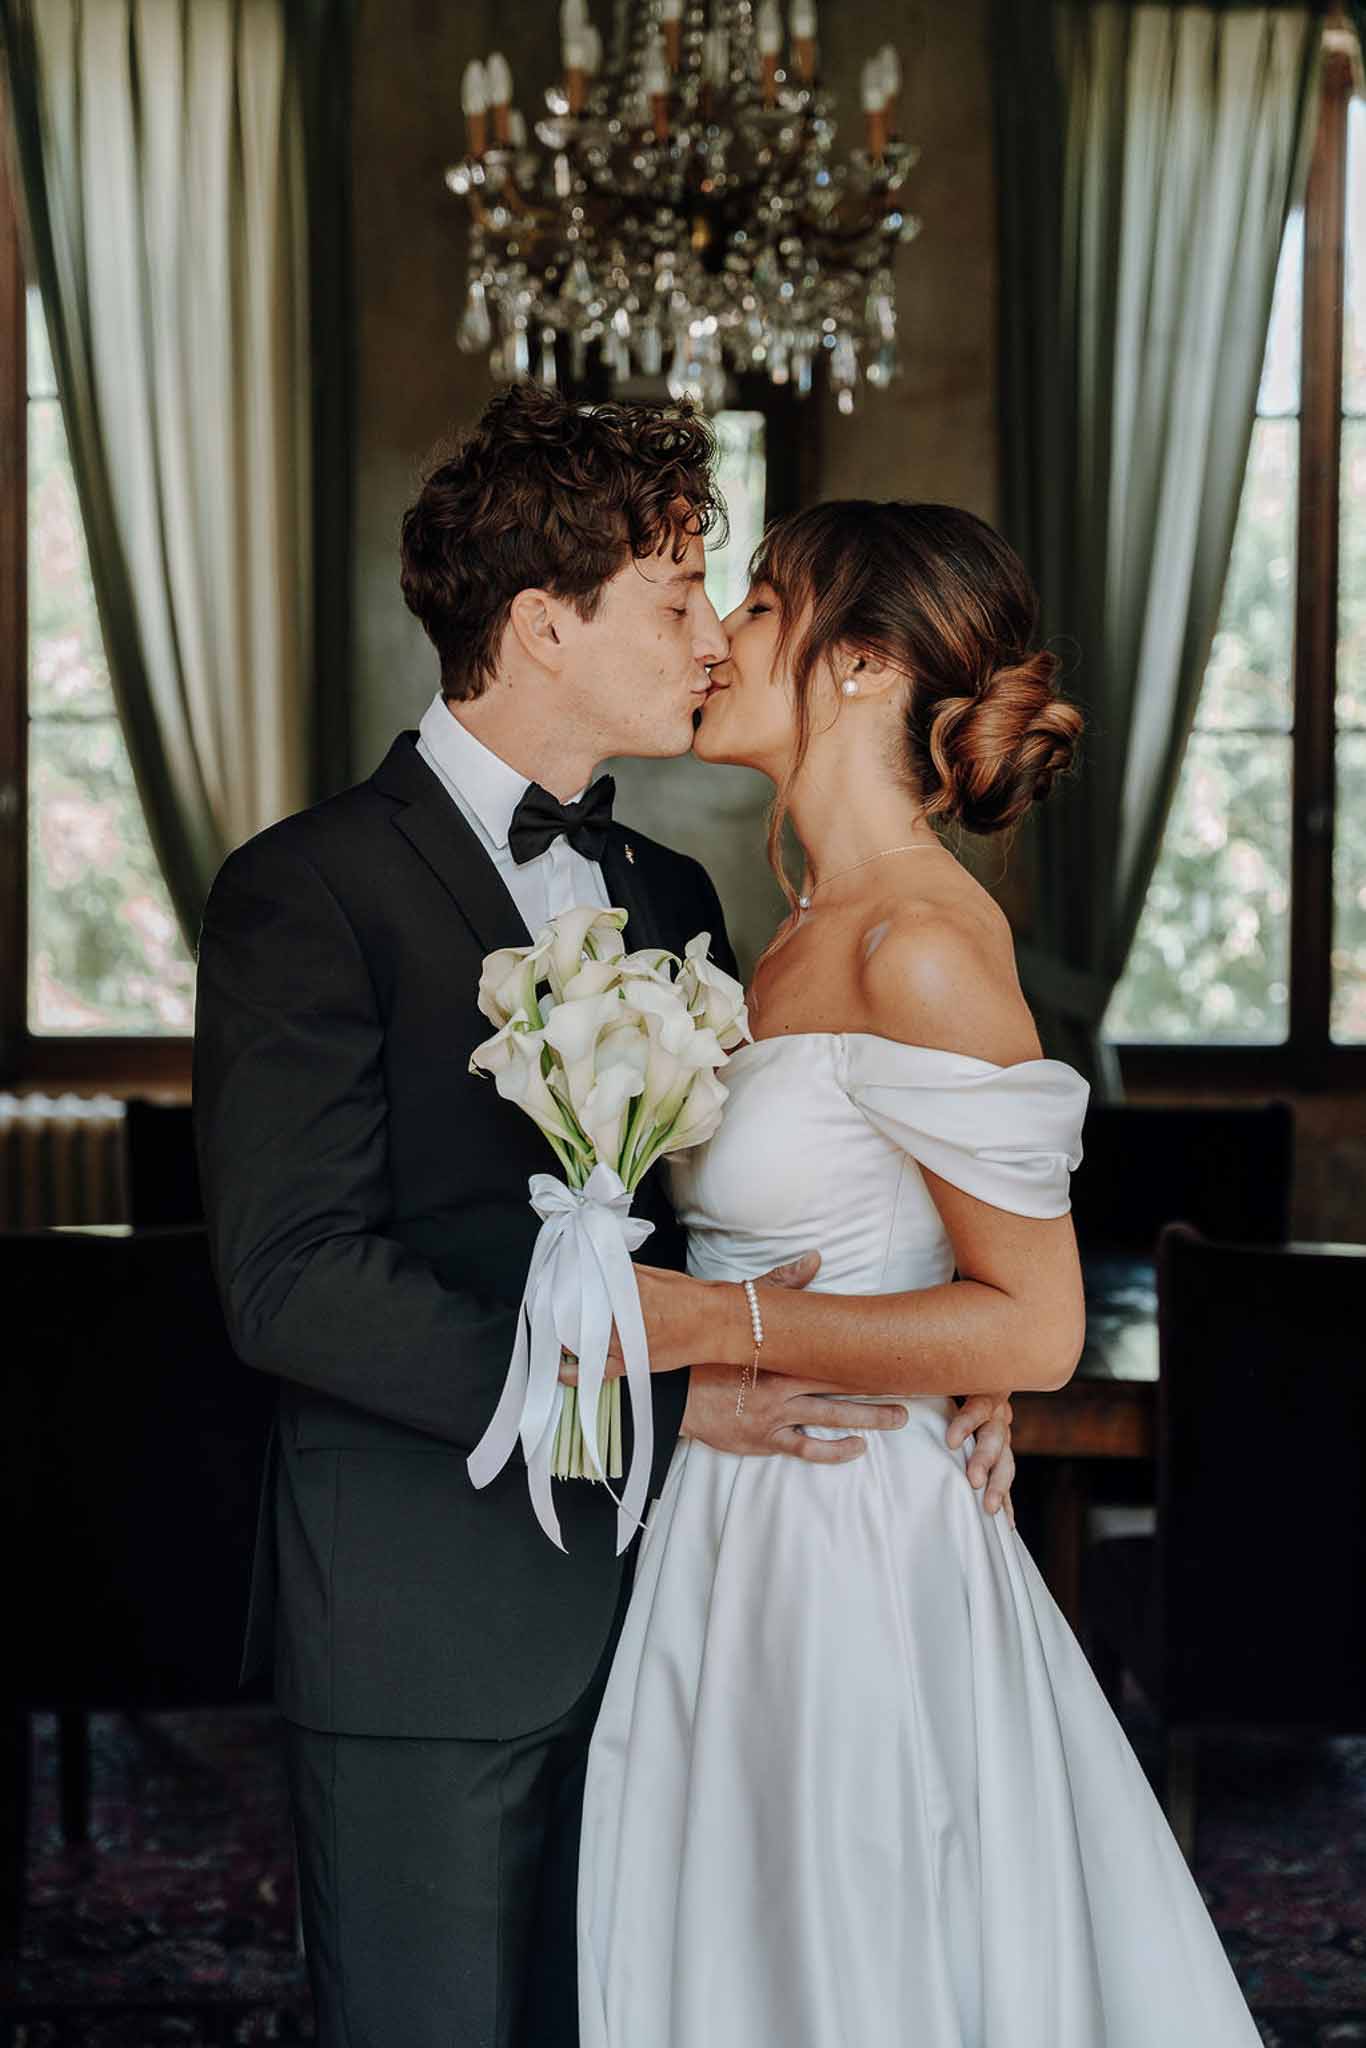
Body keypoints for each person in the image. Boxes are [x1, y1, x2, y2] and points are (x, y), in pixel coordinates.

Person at [192, 393, 1017, 2048]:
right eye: (672, 593)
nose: (711, 636)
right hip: (429, 1620)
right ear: (543, 624)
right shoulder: (307, 890)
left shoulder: (676, 897)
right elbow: (295, 1286)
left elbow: (747, 1206)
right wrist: (645, 1394)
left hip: (683, 1611)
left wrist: (940, 1340)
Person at [575, 499, 1264, 2046]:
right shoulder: (795, 930)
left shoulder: (921, 944)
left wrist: (714, 1322)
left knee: (842, 1950)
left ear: (868, 665)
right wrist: (905, 1345)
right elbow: (928, 1270)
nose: (723, 636)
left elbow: (1035, 1323)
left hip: (844, 1543)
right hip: (744, 1518)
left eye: (760, 604)